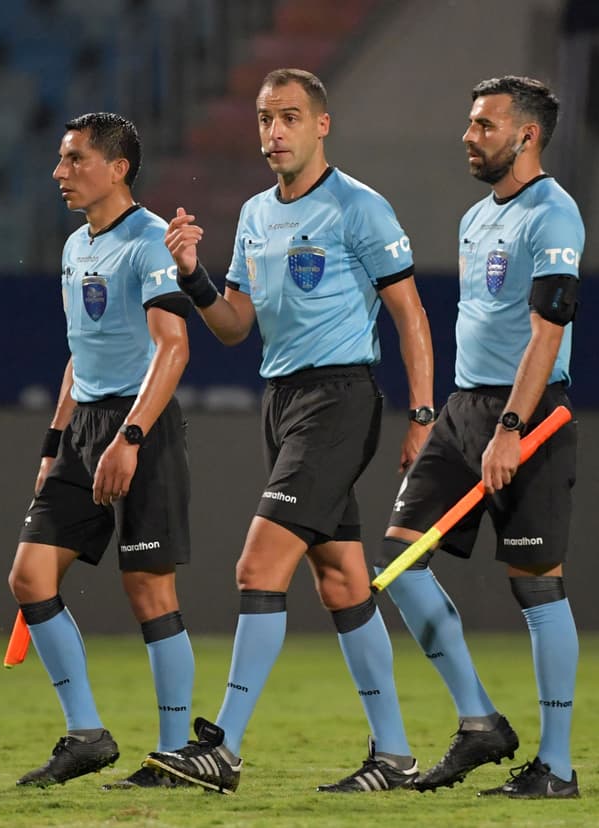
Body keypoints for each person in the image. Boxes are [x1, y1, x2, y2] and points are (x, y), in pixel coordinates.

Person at [143, 68, 436, 794]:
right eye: (266, 118)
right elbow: (237, 328)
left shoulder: (359, 208)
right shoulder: (252, 215)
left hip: (340, 402)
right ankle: (394, 755)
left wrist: (424, 414)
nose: (275, 131)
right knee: (340, 578)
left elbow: (411, 317)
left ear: (322, 125)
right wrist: (193, 277)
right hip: (283, 402)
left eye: (290, 117)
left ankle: (225, 748)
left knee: (257, 566)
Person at [376, 75, 584, 799]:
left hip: (531, 417)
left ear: (526, 135)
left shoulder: (554, 215)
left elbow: (546, 332)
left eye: (484, 125)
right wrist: (443, 417)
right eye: (470, 123)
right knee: (400, 562)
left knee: (537, 587)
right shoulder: (474, 218)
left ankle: (555, 768)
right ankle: (479, 722)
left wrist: (511, 431)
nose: (469, 136)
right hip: (467, 412)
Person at [7, 113, 197, 790]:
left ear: (116, 168)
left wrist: (132, 437)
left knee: (149, 589)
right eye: (61, 160)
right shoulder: (74, 246)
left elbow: (173, 348)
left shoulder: (149, 244)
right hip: (85, 428)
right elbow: (78, 353)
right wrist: (53, 445)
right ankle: (87, 735)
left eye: (73, 159)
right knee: (30, 578)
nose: (60, 173)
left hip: (139, 426)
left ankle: (176, 754)